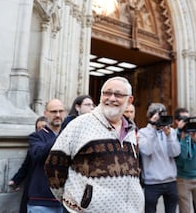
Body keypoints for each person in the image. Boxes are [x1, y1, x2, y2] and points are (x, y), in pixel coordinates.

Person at [44, 76, 144, 212]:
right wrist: (72, 200)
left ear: (129, 100)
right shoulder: (80, 124)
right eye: (107, 93)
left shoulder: (131, 130)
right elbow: (53, 166)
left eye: (118, 94)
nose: (112, 98)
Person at [138, 103, 181, 213]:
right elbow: (147, 151)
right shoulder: (143, 132)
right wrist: (153, 129)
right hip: (152, 183)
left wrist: (169, 136)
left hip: (170, 181)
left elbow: (175, 153)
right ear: (150, 117)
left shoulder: (170, 132)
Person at [28, 99, 65, 212]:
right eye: (54, 111)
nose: (58, 115)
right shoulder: (36, 137)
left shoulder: (70, 135)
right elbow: (38, 155)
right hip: (42, 202)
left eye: (60, 111)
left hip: (66, 202)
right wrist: (62, 136)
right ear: (45, 113)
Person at [8, 116, 47, 213]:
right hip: (33, 184)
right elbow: (26, 165)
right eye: (39, 128)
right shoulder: (34, 145)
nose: (41, 130)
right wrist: (15, 181)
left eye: (44, 127)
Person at [174, 108, 196, 213]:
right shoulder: (175, 134)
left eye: (188, 119)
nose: (187, 122)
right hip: (182, 178)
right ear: (177, 121)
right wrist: (183, 137)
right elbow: (183, 156)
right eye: (183, 119)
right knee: (184, 210)